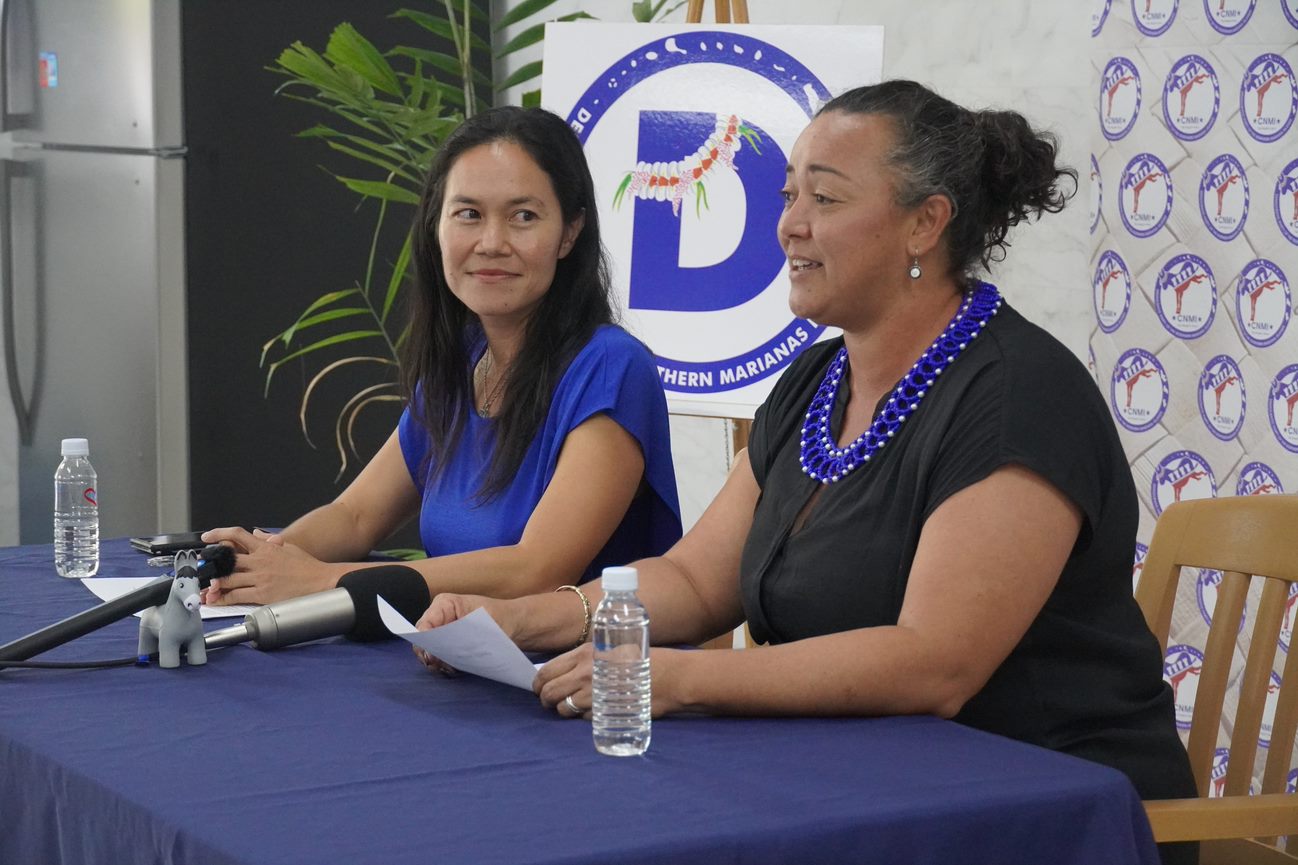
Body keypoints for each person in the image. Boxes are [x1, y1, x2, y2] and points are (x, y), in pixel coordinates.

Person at [416, 81, 1197, 862]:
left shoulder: (1020, 395)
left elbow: (935, 663)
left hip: (1045, 812)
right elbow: (694, 581)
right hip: (862, 783)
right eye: (789, 195)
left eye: (823, 198)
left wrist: (679, 678)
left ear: (925, 223)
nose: (789, 224)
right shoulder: (816, 380)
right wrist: (518, 621)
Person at [202, 107, 682, 606]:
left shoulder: (612, 368)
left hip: (583, 655)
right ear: (437, 225)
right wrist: (260, 559)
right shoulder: (463, 362)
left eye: (523, 216)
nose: (491, 243)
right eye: (469, 214)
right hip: (452, 646)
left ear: (569, 232)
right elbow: (355, 517)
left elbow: (536, 570)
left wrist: (321, 581)